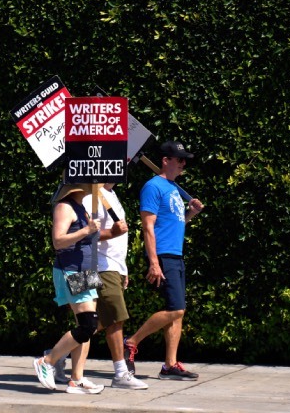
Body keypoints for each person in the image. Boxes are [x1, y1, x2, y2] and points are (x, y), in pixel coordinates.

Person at [123, 141, 205, 381]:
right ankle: (131, 341)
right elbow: (148, 227)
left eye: (184, 160)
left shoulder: (173, 189)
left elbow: (177, 223)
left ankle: (170, 365)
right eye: (179, 159)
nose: (183, 164)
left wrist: (191, 213)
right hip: (163, 255)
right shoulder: (153, 187)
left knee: (177, 312)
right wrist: (154, 262)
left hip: (176, 255)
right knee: (176, 308)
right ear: (166, 160)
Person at [33, 185, 105, 394]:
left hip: (87, 271)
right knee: (87, 324)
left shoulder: (82, 207)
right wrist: (86, 230)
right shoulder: (65, 207)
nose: (96, 182)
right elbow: (58, 241)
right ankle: (47, 361)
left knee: (88, 327)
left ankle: (77, 379)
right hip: (72, 270)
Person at [88, 183, 149, 390]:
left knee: (94, 321)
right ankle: (121, 373)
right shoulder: (92, 194)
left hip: (111, 266)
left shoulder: (111, 194)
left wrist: (122, 269)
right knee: (116, 318)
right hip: (98, 265)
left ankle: (55, 357)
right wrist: (112, 232)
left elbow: (117, 240)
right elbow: (84, 232)